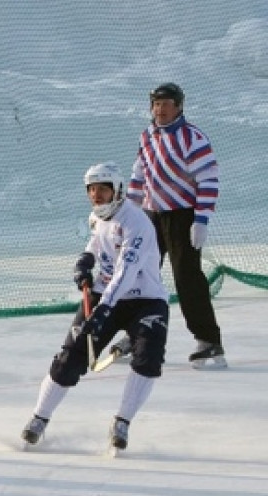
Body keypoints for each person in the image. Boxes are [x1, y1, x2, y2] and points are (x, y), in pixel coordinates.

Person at [20, 163, 170, 453]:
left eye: (103, 189)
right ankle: (40, 417)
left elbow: (126, 272)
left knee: (149, 356)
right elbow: (98, 242)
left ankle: (122, 421)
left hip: (145, 299)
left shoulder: (136, 223)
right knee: (70, 358)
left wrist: (103, 311)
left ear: (118, 191)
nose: (96, 195)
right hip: (105, 294)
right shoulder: (98, 218)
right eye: (91, 190)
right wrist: (85, 261)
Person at [126, 82, 224, 369]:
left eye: (166, 104)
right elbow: (137, 177)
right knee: (140, 273)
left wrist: (201, 218)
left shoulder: (192, 137)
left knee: (186, 277)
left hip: (183, 216)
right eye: (156, 104)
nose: (160, 110)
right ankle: (135, 335)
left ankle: (209, 341)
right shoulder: (147, 137)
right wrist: (129, 216)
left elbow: (208, 179)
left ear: (179, 107)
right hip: (151, 216)